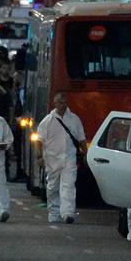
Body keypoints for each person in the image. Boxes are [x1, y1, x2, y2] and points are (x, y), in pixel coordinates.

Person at [36, 93, 87, 223]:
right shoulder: (48, 120)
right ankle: (54, 212)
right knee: (52, 187)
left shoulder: (74, 119)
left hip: (69, 158)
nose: (62, 105)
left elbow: (81, 139)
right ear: (55, 103)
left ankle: (68, 213)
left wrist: (86, 154)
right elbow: (39, 140)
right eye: (59, 102)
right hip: (52, 159)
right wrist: (39, 156)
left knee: (68, 185)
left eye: (64, 102)